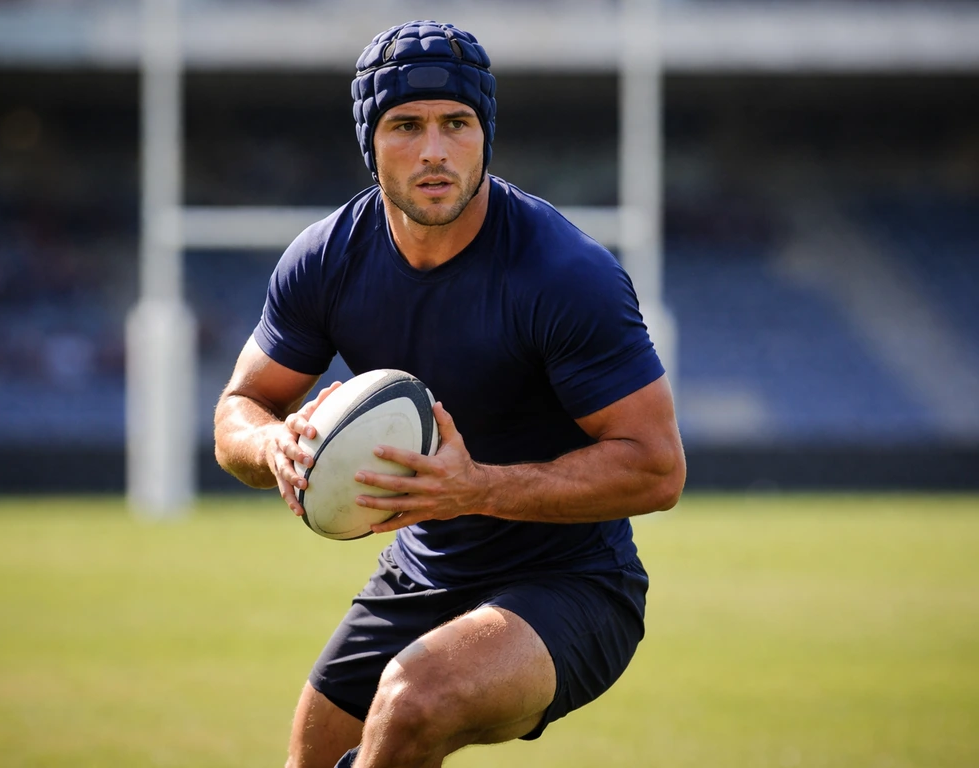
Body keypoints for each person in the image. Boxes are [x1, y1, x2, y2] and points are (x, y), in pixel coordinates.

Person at [213, 19, 686, 768]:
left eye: (456, 123)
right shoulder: (324, 260)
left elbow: (658, 469)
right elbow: (237, 412)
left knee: (411, 702)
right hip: (424, 567)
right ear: (369, 143)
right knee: (312, 755)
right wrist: (276, 444)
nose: (434, 150)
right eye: (405, 125)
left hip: (574, 583)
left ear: (485, 135)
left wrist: (476, 489)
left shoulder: (564, 274)